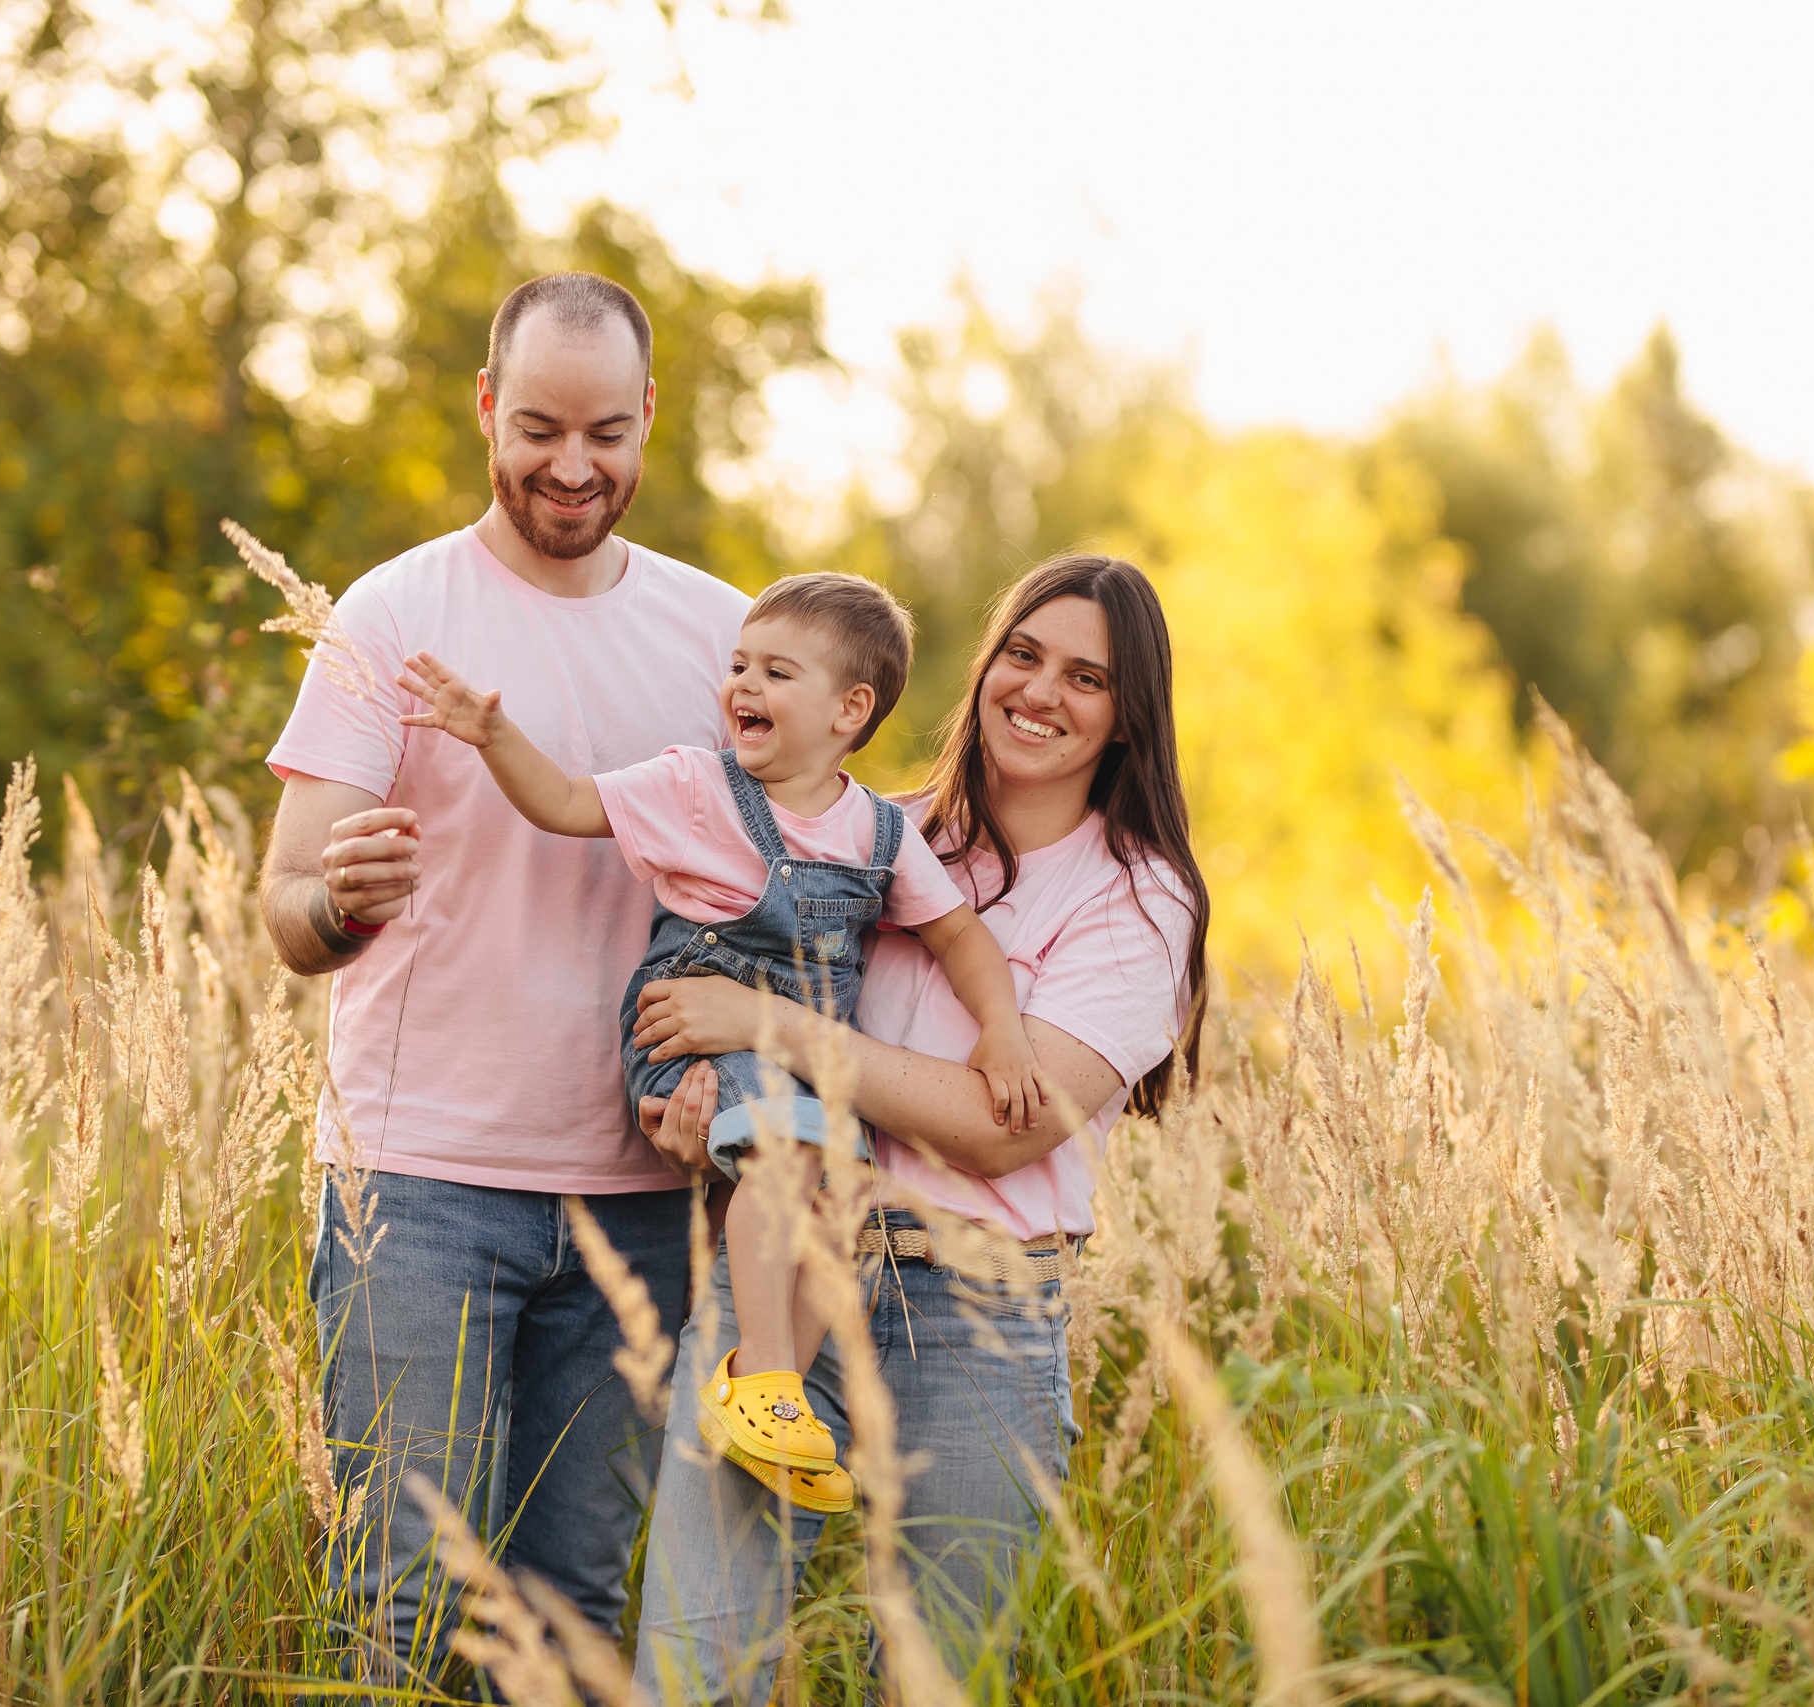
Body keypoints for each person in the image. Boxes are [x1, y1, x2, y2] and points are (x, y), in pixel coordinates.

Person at [256, 272, 748, 1685]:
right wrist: (336, 904)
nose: (573, 466)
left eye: (606, 431)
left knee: (571, 1618)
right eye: (538, 426)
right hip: (417, 1190)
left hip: (640, 1199)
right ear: (486, 407)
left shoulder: (725, 638)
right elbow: (282, 911)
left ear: (650, 416)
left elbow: (790, 887)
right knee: (400, 1609)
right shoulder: (391, 611)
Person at [624, 553, 1212, 1705]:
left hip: (975, 1324)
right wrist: (696, 1100)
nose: (1039, 691)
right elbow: (711, 991)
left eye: (1084, 677)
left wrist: (767, 1025)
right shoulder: (862, 833)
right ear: (983, 666)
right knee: (697, 1675)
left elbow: (1007, 1127)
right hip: (789, 1283)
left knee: (937, 1685)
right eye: (1022, 654)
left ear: (1127, 715)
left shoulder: (1137, 898)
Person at [391, 571, 1050, 1516]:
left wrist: (1004, 1034)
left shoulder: (882, 833)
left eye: (777, 671)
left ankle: (766, 1393)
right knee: (786, 1153)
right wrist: (496, 735)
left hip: (797, 1057)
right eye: (738, 664)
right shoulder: (696, 786)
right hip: (689, 1031)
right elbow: (569, 803)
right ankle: (770, 1381)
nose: (743, 685)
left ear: (850, 709)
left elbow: (961, 938)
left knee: (847, 1193)